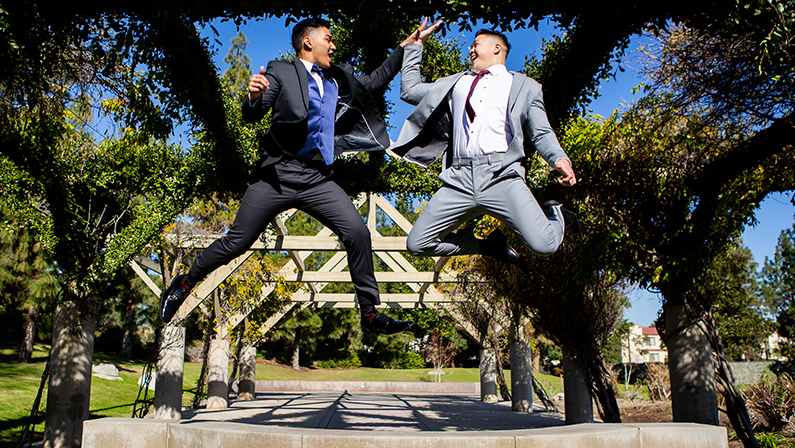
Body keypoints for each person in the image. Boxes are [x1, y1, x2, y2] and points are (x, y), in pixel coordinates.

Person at [160, 18, 441, 334]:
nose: (333, 45)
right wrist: (253, 97)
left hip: (317, 178)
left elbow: (376, 79)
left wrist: (409, 45)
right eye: (328, 38)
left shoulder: (338, 79)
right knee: (237, 241)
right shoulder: (280, 71)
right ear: (308, 42)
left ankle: (370, 314)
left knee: (358, 233)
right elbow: (255, 111)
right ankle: (185, 282)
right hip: (277, 175)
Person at [391, 24, 579, 271]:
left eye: (475, 45)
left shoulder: (525, 87)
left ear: (496, 48)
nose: (470, 50)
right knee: (418, 244)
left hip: (501, 176)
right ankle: (486, 246)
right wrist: (416, 46)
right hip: (458, 179)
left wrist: (559, 158)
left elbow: (541, 132)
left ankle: (558, 214)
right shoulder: (455, 84)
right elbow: (410, 90)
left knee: (545, 245)